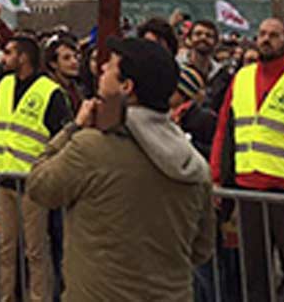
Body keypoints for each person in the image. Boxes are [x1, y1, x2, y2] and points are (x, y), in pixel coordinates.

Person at [27, 37, 215, 301]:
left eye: (110, 68)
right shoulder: (194, 164)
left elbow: (39, 184)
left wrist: (73, 128)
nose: (101, 70)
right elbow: (201, 247)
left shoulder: (91, 148)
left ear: (126, 87)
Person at [211, 16, 284, 302]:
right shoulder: (242, 78)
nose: (265, 39)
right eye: (261, 33)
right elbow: (225, 130)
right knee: (255, 274)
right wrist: (216, 176)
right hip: (248, 190)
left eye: (273, 35)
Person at [0, 34, 71, 302]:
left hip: (32, 182)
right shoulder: (4, 85)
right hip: (2, 179)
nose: (3, 57)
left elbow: (63, 136)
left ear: (23, 57)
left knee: (35, 251)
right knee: (5, 249)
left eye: (9, 52)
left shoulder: (51, 92)